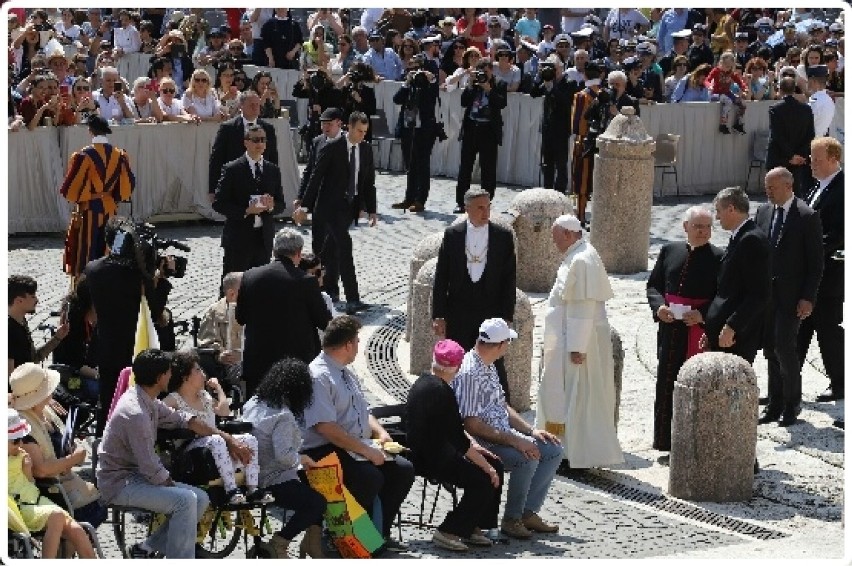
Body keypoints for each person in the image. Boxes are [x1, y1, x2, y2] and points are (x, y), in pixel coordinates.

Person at [97, 349, 252, 559]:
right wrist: (174, 485)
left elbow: (185, 419)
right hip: (119, 483)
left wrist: (227, 438)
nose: (173, 375)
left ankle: (146, 548)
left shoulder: (147, 399)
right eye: (170, 372)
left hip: (139, 476)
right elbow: (150, 466)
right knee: (186, 500)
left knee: (201, 498)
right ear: (161, 377)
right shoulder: (135, 413)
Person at [301, 315, 415, 552]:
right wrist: (366, 450)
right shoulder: (319, 375)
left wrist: (380, 433)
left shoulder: (345, 372)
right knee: (368, 477)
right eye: (357, 341)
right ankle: (340, 535)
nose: (359, 346)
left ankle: (376, 534)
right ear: (348, 345)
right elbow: (326, 428)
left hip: (353, 443)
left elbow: (363, 411)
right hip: (324, 449)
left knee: (402, 470)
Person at [453, 318, 562, 539]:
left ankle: (527, 512)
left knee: (553, 450)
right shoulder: (469, 373)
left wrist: (530, 431)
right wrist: (515, 441)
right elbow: (471, 425)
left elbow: (502, 405)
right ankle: (512, 519)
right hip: (483, 441)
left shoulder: (488, 364)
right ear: (501, 345)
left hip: (501, 433)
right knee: (527, 458)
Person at [535, 215, 623, 471]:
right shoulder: (580, 254)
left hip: (575, 346)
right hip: (567, 340)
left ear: (567, 234)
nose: (554, 243)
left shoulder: (583, 260)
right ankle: (562, 448)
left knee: (575, 396)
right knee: (565, 395)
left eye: (555, 237)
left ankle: (572, 454)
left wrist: (577, 347)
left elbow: (583, 309)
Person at [406, 339, 504, 552]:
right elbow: (458, 440)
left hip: (436, 449)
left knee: (494, 464)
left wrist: (480, 453)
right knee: (484, 478)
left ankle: (472, 525)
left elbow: (452, 431)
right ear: (457, 367)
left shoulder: (423, 381)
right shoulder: (442, 392)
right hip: (431, 458)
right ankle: (449, 530)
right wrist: (483, 465)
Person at [81, 218, 172, 436]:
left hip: (107, 345)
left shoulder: (93, 269)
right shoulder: (140, 276)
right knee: (140, 399)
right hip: (137, 346)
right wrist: (161, 278)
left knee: (109, 398)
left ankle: (104, 441)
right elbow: (155, 311)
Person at [646, 207, 723, 455]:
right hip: (670, 328)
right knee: (666, 381)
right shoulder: (670, 251)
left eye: (707, 227)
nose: (703, 231)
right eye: (698, 226)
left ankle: (692, 442)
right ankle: (664, 440)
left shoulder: (719, 257)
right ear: (685, 227)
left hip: (697, 330)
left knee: (695, 383)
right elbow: (654, 286)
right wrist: (659, 308)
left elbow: (724, 296)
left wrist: (703, 315)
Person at [433, 188, 516, 403]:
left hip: (491, 308)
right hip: (459, 308)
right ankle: (452, 403)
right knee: (455, 360)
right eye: (480, 207)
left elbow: (509, 278)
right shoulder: (453, 235)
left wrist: (507, 316)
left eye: (488, 207)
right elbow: (441, 276)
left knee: (493, 361)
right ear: (467, 208)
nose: (485, 212)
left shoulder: (503, 236)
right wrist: (439, 314)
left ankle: (500, 405)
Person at [754, 167, 824, 427]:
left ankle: (792, 403)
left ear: (788, 186)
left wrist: (808, 297)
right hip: (767, 296)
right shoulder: (763, 212)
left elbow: (816, 263)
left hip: (792, 297)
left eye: (772, 187)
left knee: (785, 348)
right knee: (770, 349)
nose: (768, 191)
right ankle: (774, 403)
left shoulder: (806, 216)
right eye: (766, 187)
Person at [241, 358, 328, 558]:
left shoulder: (254, 402)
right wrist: (302, 458)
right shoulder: (283, 416)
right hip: (271, 479)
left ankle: (311, 543)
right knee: (317, 501)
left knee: (311, 487)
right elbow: (284, 456)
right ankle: (280, 543)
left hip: (250, 473)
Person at [164, 351, 272, 504]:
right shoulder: (174, 399)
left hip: (215, 444)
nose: (203, 374)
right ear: (185, 376)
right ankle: (231, 490)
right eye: (198, 370)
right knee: (217, 440)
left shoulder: (204, 396)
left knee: (249, 439)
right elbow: (157, 413)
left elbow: (224, 411)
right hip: (191, 449)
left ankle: (253, 487)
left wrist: (219, 389)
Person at [236, 228, 332, 398]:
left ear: (274, 251)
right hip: (296, 363)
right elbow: (324, 322)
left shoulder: (249, 276)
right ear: (298, 253)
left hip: (259, 360)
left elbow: (240, 317)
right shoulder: (306, 282)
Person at [299, 112, 378, 315]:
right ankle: (352, 298)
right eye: (359, 131)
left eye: (365, 132)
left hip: (347, 209)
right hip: (328, 208)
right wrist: (305, 205)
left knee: (327, 252)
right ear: (349, 128)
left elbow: (368, 181)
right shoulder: (332, 147)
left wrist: (372, 209)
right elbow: (315, 176)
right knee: (344, 246)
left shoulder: (366, 149)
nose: (362, 135)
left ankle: (321, 292)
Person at [12, 363, 107, 529]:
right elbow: (40, 470)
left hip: (64, 481)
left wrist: (76, 450)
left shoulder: (46, 411)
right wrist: (73, 458)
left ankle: (67, 550)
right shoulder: (24, 425)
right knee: (94, 509)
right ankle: (64, 551)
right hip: (50, 491)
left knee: (100, 498)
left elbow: (68, 441)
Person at [8, 409, 98, 559]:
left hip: (36, 501)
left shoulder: (22, 456)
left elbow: (30, 484)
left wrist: (27, 470)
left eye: (22, 438)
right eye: (16, 440)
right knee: (56, 516)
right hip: (17, 509)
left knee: (77, 531)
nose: (21, 443)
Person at [60, 115, 135, 278]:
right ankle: (107, 285)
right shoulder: (120, 155)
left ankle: (84, 288)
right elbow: (127, 185)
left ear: (90, 131)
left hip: (89, 209)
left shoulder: (83, 156)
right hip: (110, 208)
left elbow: (71, 188)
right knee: (108, 247)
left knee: (86, 250)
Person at [212, 124, 286, 287]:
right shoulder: (232, 169)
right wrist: (245, 211)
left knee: (260, 286)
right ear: (246, 142)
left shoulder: (272, 170)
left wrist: (272, 206)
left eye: (263, 140)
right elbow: (219, 203)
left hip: (263, 239)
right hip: (238, 239)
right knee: (233, 285)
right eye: (255, 140)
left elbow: (281, 204)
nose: (259, 143)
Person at [703, 187, 771, 364]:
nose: (717, 218)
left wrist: (732, 326)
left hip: (736, 337)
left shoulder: (751, 240)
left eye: (719, 211)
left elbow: (758, 294)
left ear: (731, 209)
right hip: (723, 332)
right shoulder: (739, 236)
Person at [799, 137, 844, 402]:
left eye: (817, 159)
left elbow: (837, 233)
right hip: (807, 273)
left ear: (832, 159)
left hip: (828, 273)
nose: (811, 163)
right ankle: (785, 384)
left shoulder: (842, 188)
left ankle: (840, 382)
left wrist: (808, 254)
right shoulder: (815, 186)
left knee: (828, 329)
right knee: (800, 328)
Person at [453, 59, 507, 213]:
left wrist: (489, 90)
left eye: (486, 70)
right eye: (480, 70)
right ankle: (461, 203)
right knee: (465, 168)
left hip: (489, 131)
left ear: (491, 70)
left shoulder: (499, 84)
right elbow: (463, 102)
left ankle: (486, 203)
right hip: (471, 129)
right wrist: (470, 85)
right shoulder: (474, 83)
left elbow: (502, 104)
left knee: (488, 169)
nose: (483, 74)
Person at [208, 90, 279, 202]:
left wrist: (275, 188)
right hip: (235, 185)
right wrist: (212, 189)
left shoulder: (268, 129)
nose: (255, 107)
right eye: (251, 104)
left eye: (257, 104)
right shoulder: (228, 128)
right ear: (241, 106)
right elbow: (216, 160)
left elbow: (273, 159)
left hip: (261, 185)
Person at [391, 54, 440, 212]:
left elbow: (433, 96)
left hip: (425, 129)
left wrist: (430, 79)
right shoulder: (410, 84)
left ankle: (420, 199)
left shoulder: (428, 85)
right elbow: (397, 99)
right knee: (410, 165)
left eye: (418, 68)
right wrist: (407, 82)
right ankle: (409, 197)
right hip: (409, 128)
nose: (415, 71)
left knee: (423, 164)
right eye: (412, 68)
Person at [530, 55, 578, 194]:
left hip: (561, 129)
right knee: (547, 163)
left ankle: (560, 193)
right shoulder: (546, 80)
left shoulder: (569, 82)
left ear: (561, 68)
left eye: (554, 68)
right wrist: (540, 76)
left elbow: (565, 101)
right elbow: (533, 93)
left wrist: (552, 87)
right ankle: (547, 192)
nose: (551, 71)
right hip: (547, 129)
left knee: (561, 164)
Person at [8, 275, 69, 374]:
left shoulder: (22, 322)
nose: (37, 300)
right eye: (32, 296)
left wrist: (57, 338)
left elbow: (34, 358)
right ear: (19, 301)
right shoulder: (8, 331)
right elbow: (9, 379)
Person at [766, 77, 816, 198]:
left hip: (779, 158)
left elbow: (778, 136)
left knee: (776, 194)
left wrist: (790, 156)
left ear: (780, 89)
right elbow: (810, 135)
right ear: (794, 89)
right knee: (796, 194)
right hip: (799, 161)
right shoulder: (806, 109)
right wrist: (799, 155)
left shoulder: (775, 109)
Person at [570, 61, 603, 225]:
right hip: (602, 143)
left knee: (581, 180)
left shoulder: (582, 96)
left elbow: (576, 125)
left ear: (584, 75)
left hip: (585, 141)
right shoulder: (605, 94)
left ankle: (581, 215)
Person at [196, 271, 243, 381]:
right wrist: (219, 355)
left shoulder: (253, 307)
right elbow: (206, 344)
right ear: (232, 293)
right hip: (230, 366)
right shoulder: (214, 312)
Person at [806, 65, 835, 137]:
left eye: (808, 79)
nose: (807, 82)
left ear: (813, 81)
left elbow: (806, 122)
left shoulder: (815, 101)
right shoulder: (828, 99)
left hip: (811, 141)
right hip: (820, 139)